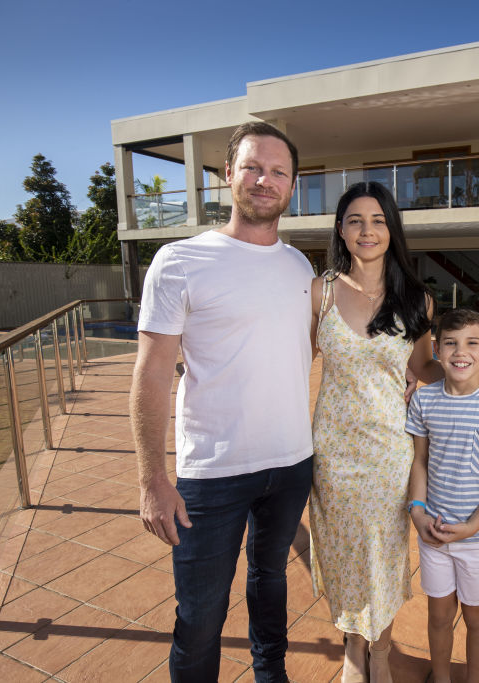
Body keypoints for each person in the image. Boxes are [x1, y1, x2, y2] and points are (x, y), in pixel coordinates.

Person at [130, 121, 312, 683]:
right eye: (253, 167)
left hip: (290, 464)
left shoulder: (301, 267)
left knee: (271, 583)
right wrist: (152, 478)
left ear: (292, 185)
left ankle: (269, 674)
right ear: (227, 175)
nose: (265, 180)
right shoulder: (180, 260)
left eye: (278, 171)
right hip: (211, 474)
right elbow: (153, 372)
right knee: (201, 614)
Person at [308, 181, 444, 683]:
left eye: (378, 220)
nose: (367, 231)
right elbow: (295, 361)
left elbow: (424, 368)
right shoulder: (319, 293)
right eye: (355, 221)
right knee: (341, 553)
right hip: (333, 455)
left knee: (384, 555)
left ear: (392, 230)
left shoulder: (417, 299)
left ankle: (380, 651)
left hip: (389, 451)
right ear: (341, 231)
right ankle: (351, 644)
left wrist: (450, 375)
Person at [405, 308, 479, 683]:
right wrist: (417, 512)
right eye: (452, 344)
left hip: (478, 539)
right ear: (438, 350)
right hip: (435, 533)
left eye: (473, 343)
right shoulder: (425, 402)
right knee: (439, 616)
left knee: (476, 616)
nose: (462, 352)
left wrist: (473, 526)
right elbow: (420, 462)